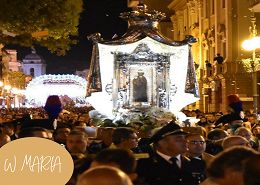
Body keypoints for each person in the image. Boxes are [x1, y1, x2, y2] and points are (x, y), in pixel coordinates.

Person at [136, 121, 206, 185]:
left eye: (184, 137)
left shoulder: (197, 164)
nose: (185, 141)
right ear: (163, 143)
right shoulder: (144, 166)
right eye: (179, 138)